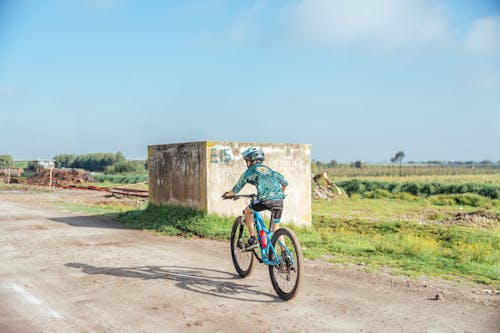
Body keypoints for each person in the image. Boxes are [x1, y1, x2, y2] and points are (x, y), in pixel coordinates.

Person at [222, 147, 288, 250]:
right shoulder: (269, 170)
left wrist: (227, 195)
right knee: (276, 227)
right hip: (279, 200)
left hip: (265, 200)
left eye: (247, 161)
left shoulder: (250, 171)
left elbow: (237, 187)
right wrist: (278, 194)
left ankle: (252, 239)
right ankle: (286, 255)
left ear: (251, 160)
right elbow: (285, 183)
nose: (247, 163)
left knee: (247, 211)